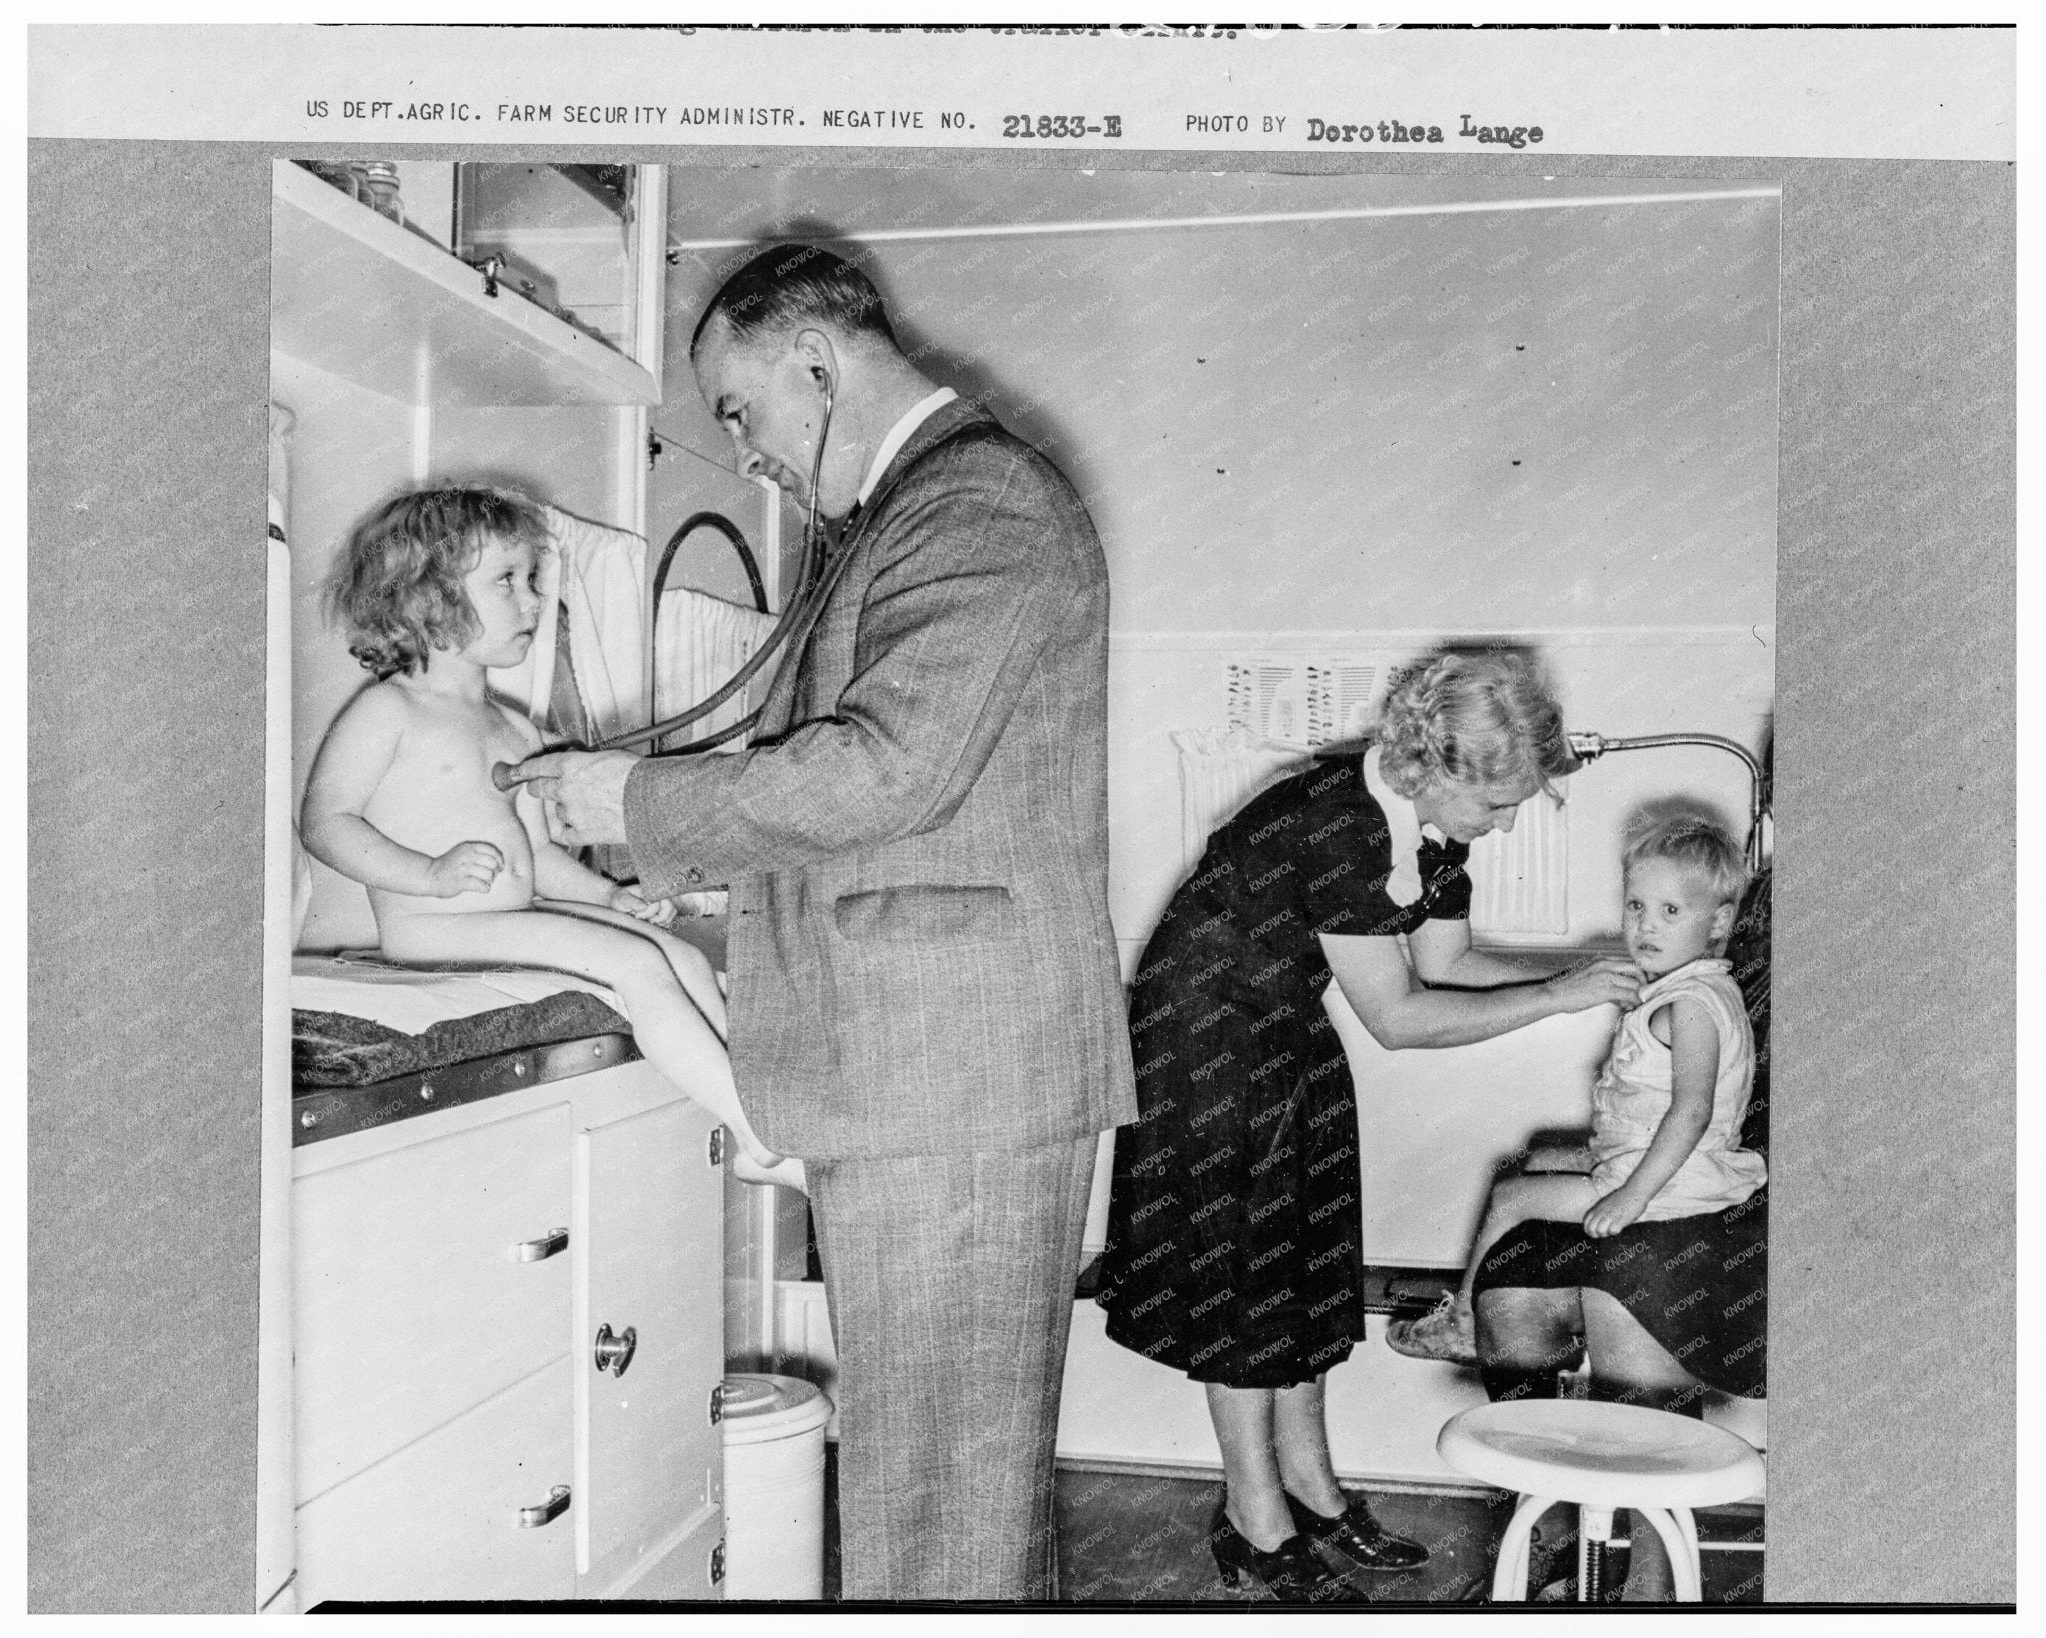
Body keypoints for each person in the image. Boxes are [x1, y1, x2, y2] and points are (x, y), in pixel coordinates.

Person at [509, 246, 1136, 1601]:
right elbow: (893, 809)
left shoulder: (979, 502)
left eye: (739, 413)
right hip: (927, 1077)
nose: (746, 454)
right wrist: (681, 869)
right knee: (932, 1490)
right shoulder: (918, 514)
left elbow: (887, 770)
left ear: (815, 363)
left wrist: (627, 796)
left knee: (940, 1502)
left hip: (951, 1078)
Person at [1096, 648, 1644, 1603]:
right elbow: (1398, 1018)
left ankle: (1313, 1490)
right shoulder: (1338, 826)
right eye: (1499, 802)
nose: (1507, 821)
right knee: (1241, 1286)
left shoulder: (1427, 831)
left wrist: (1588, 975)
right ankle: (1254, 1522)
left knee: (1301, 1264)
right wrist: (1559, 995)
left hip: (1283, 1023)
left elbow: (1451, 963)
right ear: (1433, 765)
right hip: (1203, 1040)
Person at [299, 486, 798, 1187]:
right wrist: (427, 875)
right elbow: (325, 824)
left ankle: (760, 1110)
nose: (534, 601)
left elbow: (534, 855)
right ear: (425, 597)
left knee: (676, 955)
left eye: (533, 579)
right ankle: (761, 1134)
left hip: (507, 915)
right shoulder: (388, 711)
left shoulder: (511, 725)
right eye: (507, 580)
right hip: (436, 929)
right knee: (639, 968)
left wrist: (608, 895)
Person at [1387, 814, 1764, 1366]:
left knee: (1509, 1199)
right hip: (1667, 1164)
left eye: (1671, 912)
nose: (1647, 927)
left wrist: (1629, 1197)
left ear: (1719, 920)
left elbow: (1692, 1112)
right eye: (1636, 907)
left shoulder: (1691, 1008)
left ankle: (1464, 1323)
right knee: (1541, 1158)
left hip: (1662, 1185)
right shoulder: (1701, 986)